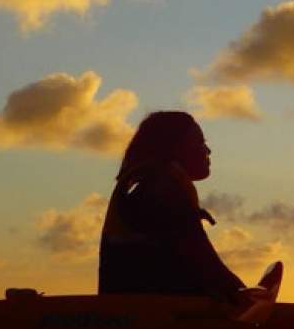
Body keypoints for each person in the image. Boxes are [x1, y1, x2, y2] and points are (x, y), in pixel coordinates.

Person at [98, 111, 246, 302]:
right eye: (200, 142)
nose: (207, 151)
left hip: (137, 309)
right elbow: (203, 260)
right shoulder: (162, 189)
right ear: (175, 148)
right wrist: (241, 295)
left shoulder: (146, 185)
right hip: (152, 314)